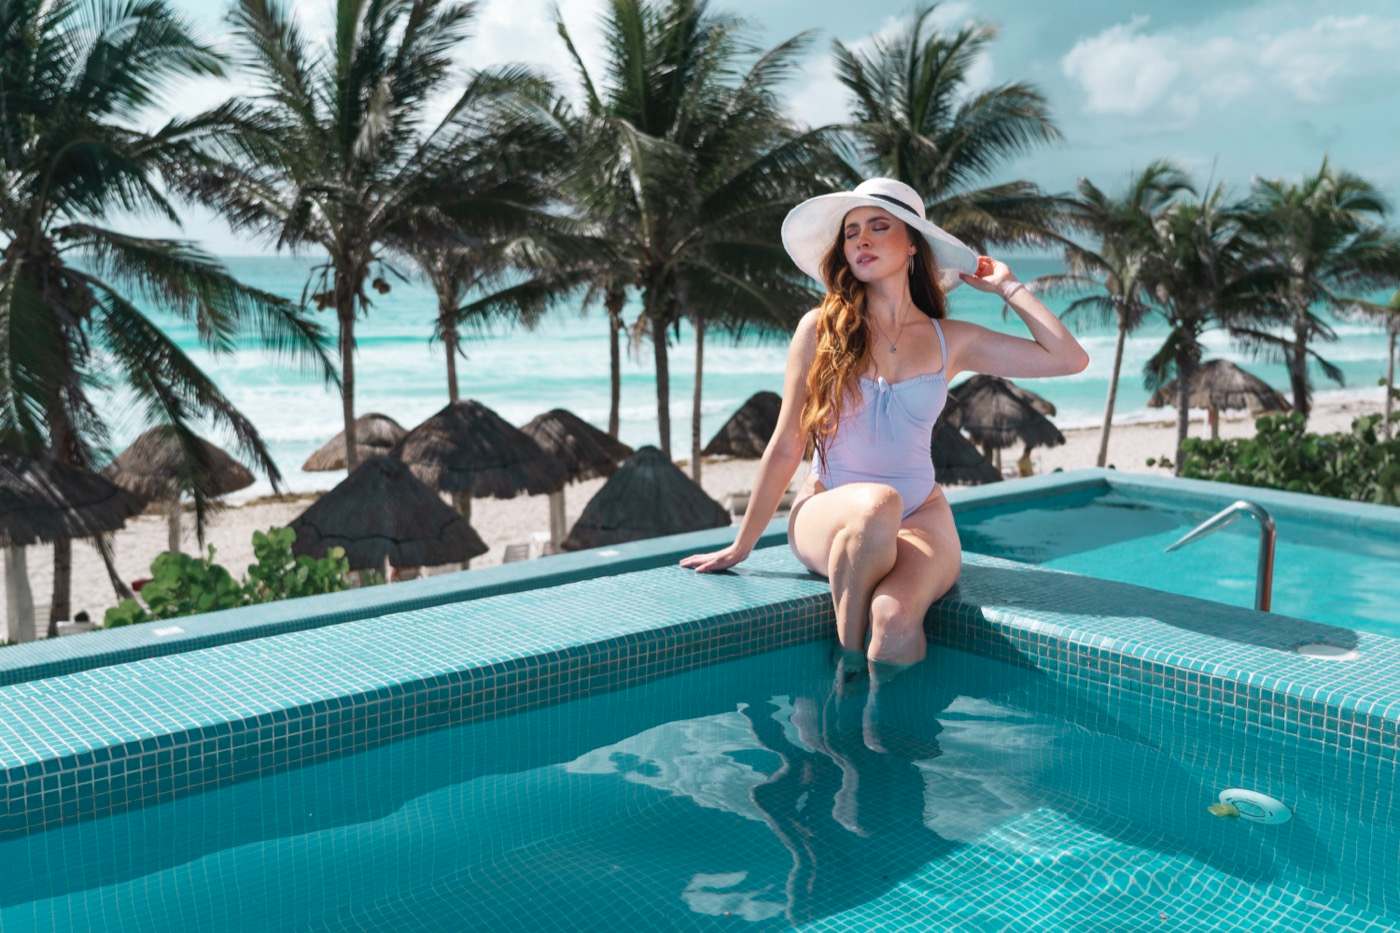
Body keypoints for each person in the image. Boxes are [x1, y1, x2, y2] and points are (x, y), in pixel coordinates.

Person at [679, 178, 1088, 669]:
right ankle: (848, 670)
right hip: (829, 511)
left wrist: (1007, 286)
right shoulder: (820, 328)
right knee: (877, 503)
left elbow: (1068, 358)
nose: (862, 241)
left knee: (894, 621)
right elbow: (788, 441)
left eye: (879, 227)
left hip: (922, 516)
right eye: (852, 233)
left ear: (912, 244)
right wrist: (741, 545)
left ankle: (894, 735)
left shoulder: (948, 339)